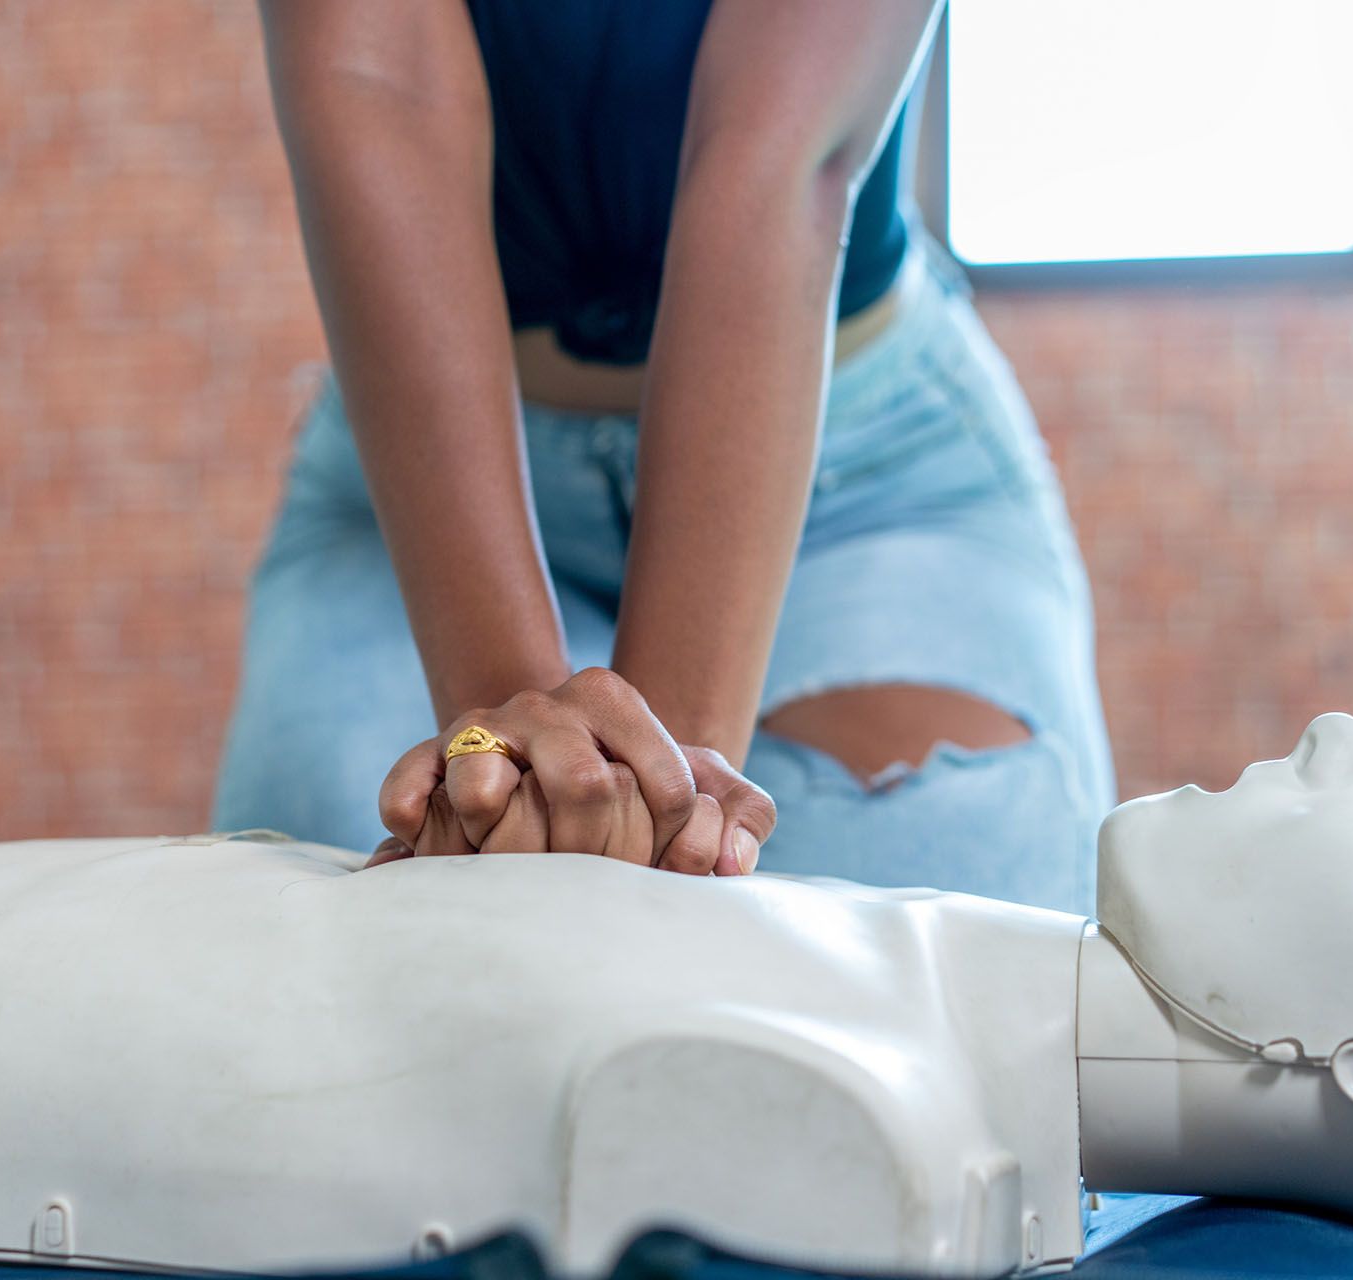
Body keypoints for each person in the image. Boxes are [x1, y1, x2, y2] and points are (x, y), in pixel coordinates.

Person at [210, 1, 1114, 912]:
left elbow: (771, 157)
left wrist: (662, 793)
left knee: (955, 880)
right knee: (326, 915)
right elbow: (385, 85)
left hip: (866, 468)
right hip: (423, 468)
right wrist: (515, 760)